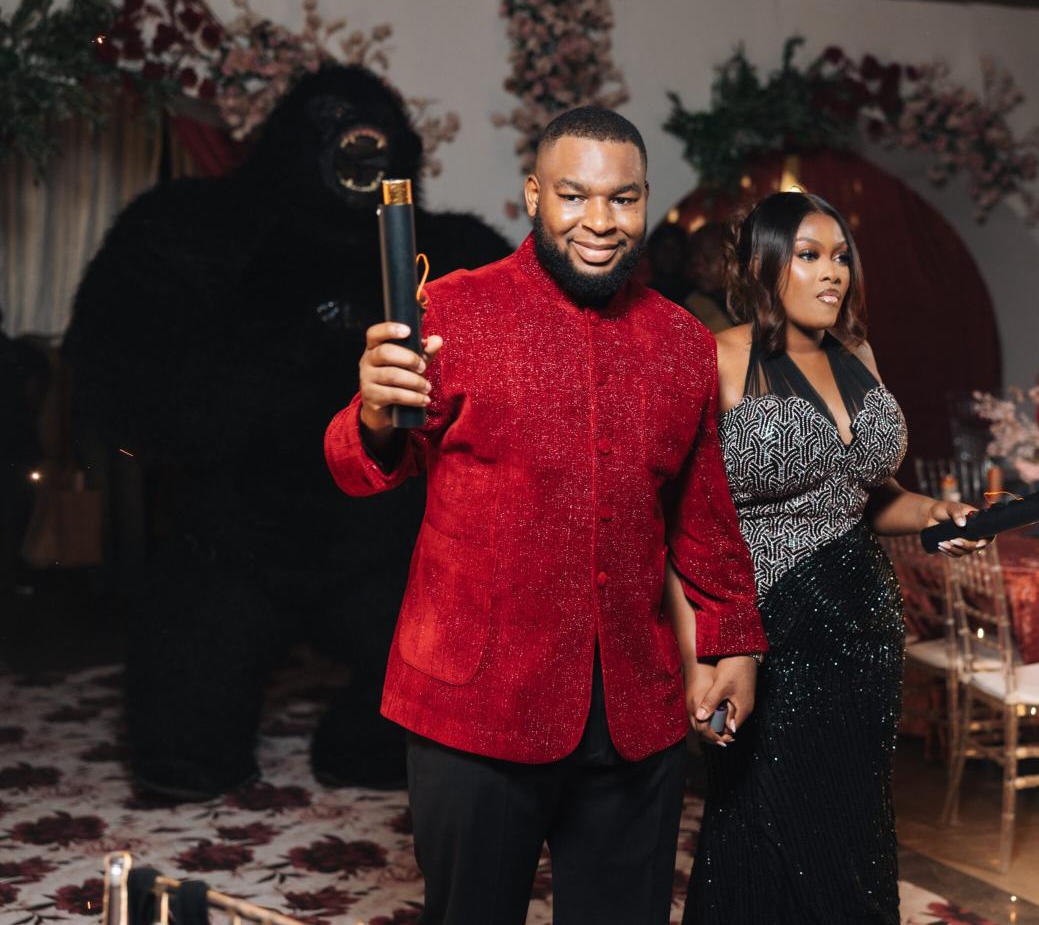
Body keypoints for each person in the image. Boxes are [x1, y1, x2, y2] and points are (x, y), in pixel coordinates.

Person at [323, 107, 767, 925]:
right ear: (534, 195)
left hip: (634, 712)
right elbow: (358, 467)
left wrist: (733, 637)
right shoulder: (451, 313)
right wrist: (375, 414)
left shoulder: (681, 342)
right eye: (574, 195)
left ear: (645, 201)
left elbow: (703, 512)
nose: (600, 221)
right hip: (474, 709)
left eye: (623, 199)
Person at [673, 191, 986, 925]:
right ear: (762, 265)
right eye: (809, 256)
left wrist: (933, 513)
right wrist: (698, 661)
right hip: (764, 632)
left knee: (853, 828)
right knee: (765, 824)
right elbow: (678, 526)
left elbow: (871, 497)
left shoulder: (858, 355)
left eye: (840, 256)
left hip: (866, 628)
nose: (832, 273)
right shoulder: (716, 357)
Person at [682, 222, 733, 333]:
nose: (699, 270)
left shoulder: (759, 300)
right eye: (694, 262)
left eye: (708, 259)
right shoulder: (690, 310)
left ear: (731, 257)